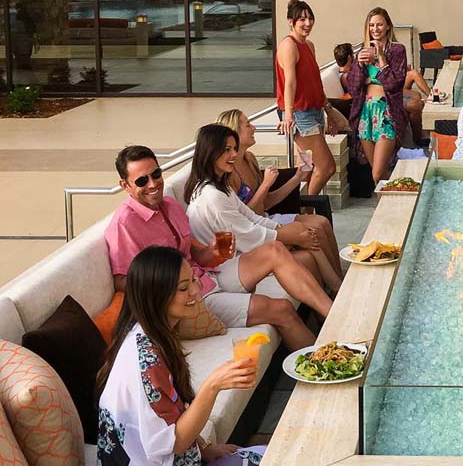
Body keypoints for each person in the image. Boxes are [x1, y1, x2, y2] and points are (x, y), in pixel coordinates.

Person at [97, 246, 264, 466]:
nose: (196, 292)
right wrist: (213, 385)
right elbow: (173, 440)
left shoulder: (151, 336)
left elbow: (171, 411)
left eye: (194, 282)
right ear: (156, 295)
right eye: (184, 287)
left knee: (260, 460)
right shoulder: (146, 359)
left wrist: (206, 448)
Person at [105, 144, 329, 349]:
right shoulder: (124, 223)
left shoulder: (170, 205)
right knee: (282, 309)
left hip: (207, 276)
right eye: (142, 181)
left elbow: (192, 256)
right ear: (125, 185)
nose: (153, 184)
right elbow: (122, 281)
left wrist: (211, 251)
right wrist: (174, 286)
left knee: (275, 250)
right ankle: (323, 366)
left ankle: (332, 314)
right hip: (189, 299)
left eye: (156, 174)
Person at [185, 124, 343, 296]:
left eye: (234, 149)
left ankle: (336, 287)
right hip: (229, 259)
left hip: (247, 236)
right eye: (227, 149)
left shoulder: (229, 180)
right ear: (211, 152)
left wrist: (283, 229)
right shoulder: (215, 192)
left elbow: (251, 217)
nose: (234, 154)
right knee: (307, 237)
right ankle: (335, 290)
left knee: (306, 231)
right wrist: (286, 233)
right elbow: (246, 229)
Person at [215, 108, 343, 282]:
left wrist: (297, 178)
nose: (254, 128)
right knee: (316, 230)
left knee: (322, 222)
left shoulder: (249, 159)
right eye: (248, 125)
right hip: (255, 228)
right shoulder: (229, 173)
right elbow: (245, 217)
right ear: (234, 133)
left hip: (266, 217)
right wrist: (266, 183)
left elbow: (266, 202)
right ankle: (334, 286)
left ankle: (339, 279)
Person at [275, 0, 342, 194]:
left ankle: (298, 210)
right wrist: (288, 114)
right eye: (302, 19)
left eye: (310, 18)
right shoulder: (289, 46)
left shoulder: (308, 45)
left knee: (306, 168)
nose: (307, 23)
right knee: (326, 167)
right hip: (300, 114)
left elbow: (314, 82)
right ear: (291, 22)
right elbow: (290, 82)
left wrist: (328, 110)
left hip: (314, 110)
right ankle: (308, 208)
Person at [345, 6, 409, 182]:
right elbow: (353, 86)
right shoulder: (363, 52)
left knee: (378, 173)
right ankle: (397, 200)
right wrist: (358, 65)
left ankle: (396, 200)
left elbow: (395, 83)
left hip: (386, 113)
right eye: (371, 25)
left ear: (388, 26)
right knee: (378, 175)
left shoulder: (397, 50)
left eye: (379, 25)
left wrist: (381, 58)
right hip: (366, 113)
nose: (375, 29)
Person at [403, 67, 431, 144]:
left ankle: (431, 96)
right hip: (384, 89)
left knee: (414, 73)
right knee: (415, 103)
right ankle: (418, 137)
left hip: (392, 82)